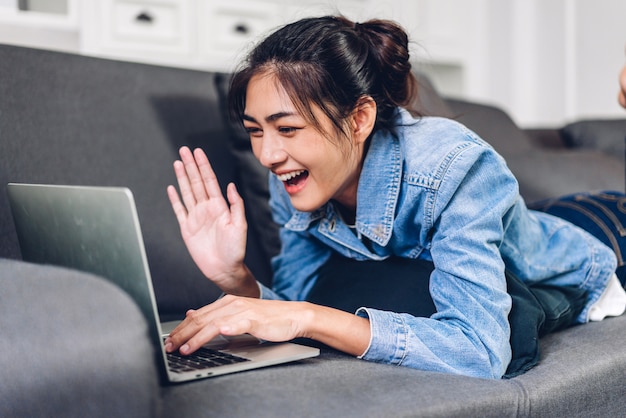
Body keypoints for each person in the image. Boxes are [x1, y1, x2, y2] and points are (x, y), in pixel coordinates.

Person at [164, 15, 626, 379]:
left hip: (598, 234)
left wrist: (310, 318)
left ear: (360, 119)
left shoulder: (453, 167)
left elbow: (481, 353)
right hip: (520, 227)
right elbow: (294, 301)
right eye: (255, 132)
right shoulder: (294, 173)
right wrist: (236, 277)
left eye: (287, 128)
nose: (268, 153)